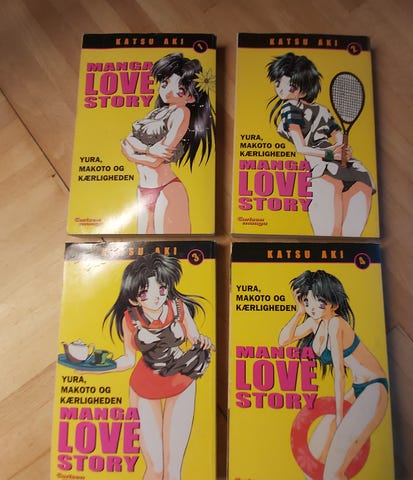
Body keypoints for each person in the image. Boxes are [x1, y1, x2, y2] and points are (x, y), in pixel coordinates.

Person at [101, 253, 214, 480]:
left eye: (161, 289)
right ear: (134, 297)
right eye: (145, 293)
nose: (155, 298)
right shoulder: (130, 318)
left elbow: (194, 337)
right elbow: (128, 359)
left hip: (181, 378)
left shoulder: (179, 308)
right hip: (145, 385)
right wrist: (97, 367)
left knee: (172, 470)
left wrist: (204, 341)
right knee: (156, 468)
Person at [279, 270, 388, 480]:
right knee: (313, 460)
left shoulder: (336, 324)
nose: (313, 308)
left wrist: (339, 417)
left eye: (319, 303)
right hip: (358, 390)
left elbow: (339, 373)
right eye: (308, 302)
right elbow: (283, 340)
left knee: (333, 470)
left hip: (374, 388)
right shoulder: (315, 322)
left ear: (334, 304)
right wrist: (300, 312)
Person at [267, 53, 375, 236]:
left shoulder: (317, 110)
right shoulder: (292, 109)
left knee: (340, 230)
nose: (282, 90)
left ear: (304, 90)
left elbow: (337, 136)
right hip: (328, 165)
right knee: (339, 232)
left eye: (291, 87)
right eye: (278, 83)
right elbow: (302, 148)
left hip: (338, 165)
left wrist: (343, 148)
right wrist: (333, 153)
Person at [121, 53, 215, 234]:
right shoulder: (155, 113)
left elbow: (156, 160)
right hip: (143, 189)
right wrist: (149, 149)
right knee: (144, 243)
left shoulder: (181, 112)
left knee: (172, 243)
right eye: (165, 83)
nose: (168, 91)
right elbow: (126, 141)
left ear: (191, 97)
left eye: (180, 89)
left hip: (167, 189)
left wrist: (134, 153)